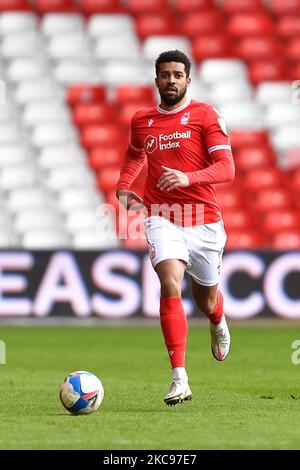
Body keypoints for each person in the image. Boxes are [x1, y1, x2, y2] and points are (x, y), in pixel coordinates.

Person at [116, 50, 235, 406]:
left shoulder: (205, 115)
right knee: (169, 281)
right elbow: (135, 153)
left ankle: (217, 319)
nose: (171, 80)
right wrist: (124, 186)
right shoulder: (142, 120)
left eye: (177, 75)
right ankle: (179, 378)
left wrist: (188, 177)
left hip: (205, 221)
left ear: (188, 79)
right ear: (156, 79)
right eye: (164, 74)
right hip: (161, 214)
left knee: (206, 299)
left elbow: (227, 168)